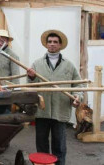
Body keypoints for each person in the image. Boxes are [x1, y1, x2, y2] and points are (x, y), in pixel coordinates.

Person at [26, 30, 83, 165]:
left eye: (55, 42)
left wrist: (77, 96)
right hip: (42, 111)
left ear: (60, 45)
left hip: (60, 110)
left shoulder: (69, 65)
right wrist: (32, 77)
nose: (52, 44)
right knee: (42, 146)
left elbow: (78, 85)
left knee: (59, 147)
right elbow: (30, 86)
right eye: (50, 42)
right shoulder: (37, 64)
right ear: (46, 44)